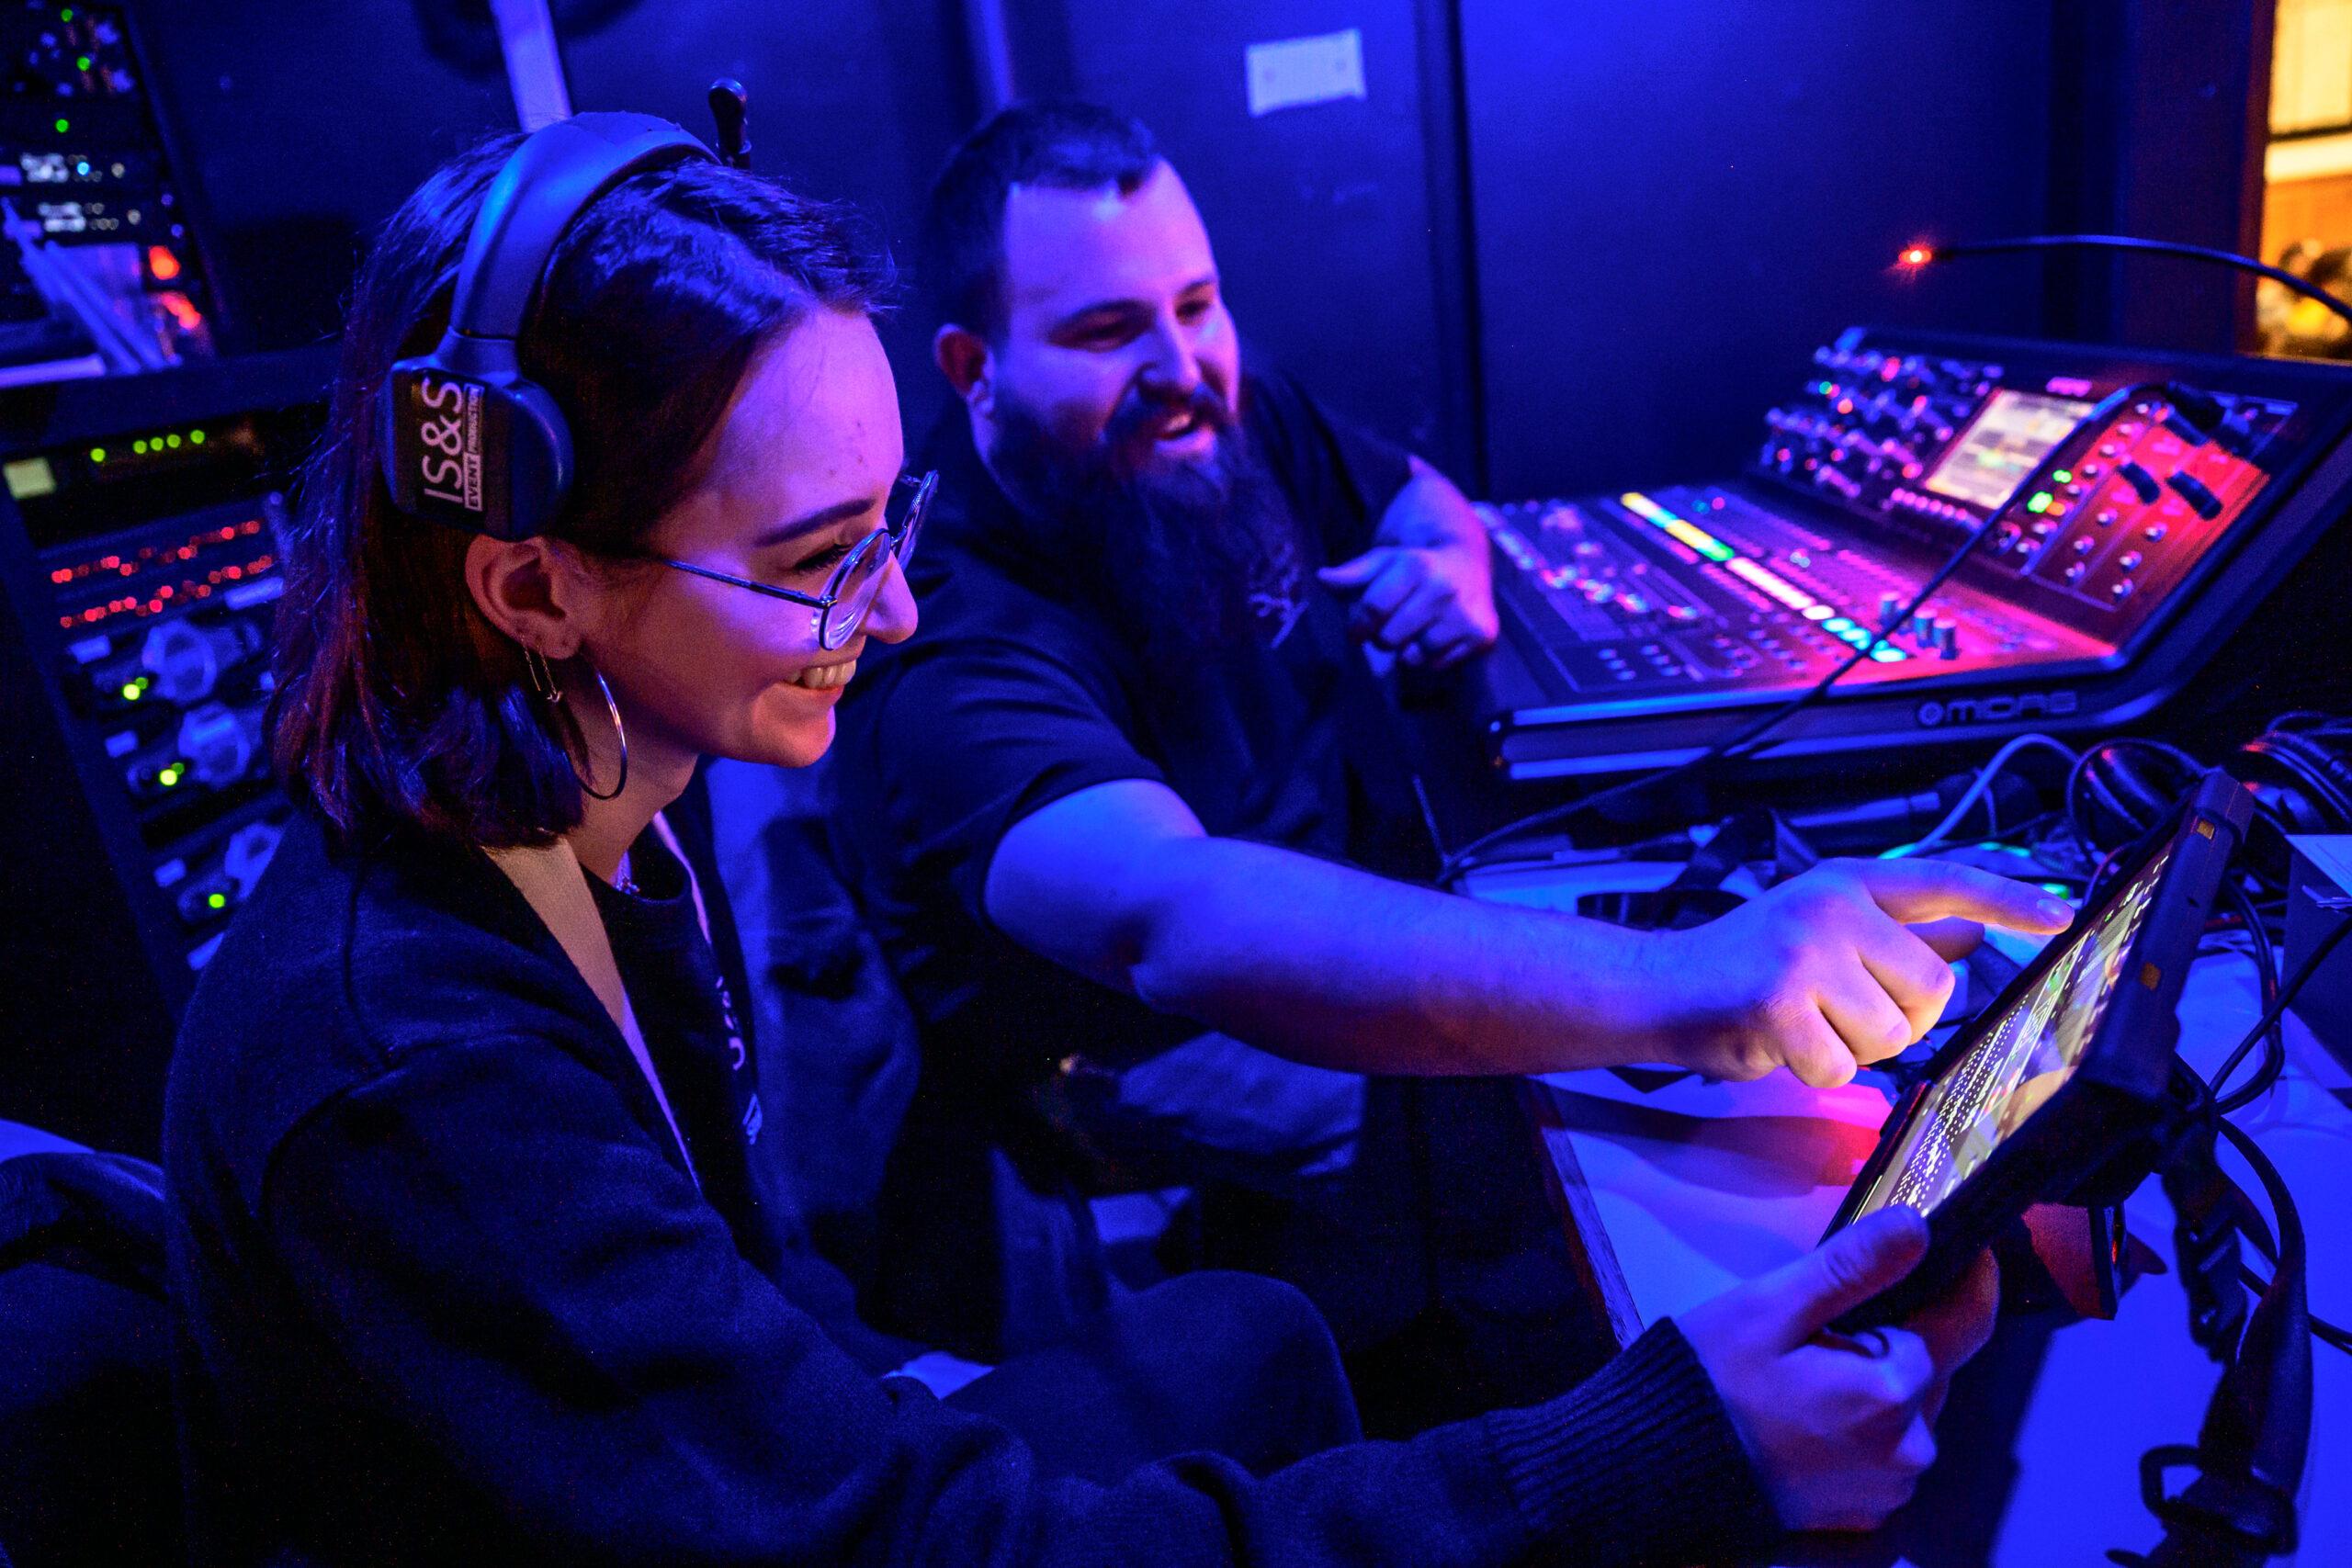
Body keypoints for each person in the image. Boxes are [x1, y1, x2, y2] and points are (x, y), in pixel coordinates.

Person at [164, 118, 1997, 1566]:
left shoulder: (595, 800)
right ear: (528, 578)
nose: (881, 613)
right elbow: (915, 1539)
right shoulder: (421, 1077)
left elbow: (734, 1297)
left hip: (772, 1446)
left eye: (891, 521)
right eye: (816, 560)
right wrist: (1660, 1441)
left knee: (1255, 1342)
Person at [827, 102, 2070, 1393]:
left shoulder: (1218, 413)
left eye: (1198, 304)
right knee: (1533, 1133)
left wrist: (1457, 562)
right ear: (973, 370)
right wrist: (1698, 982)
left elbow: (1419, 490)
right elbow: (1173, 917)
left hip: (1338, 885)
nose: (1182, 361)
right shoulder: (943, 639)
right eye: (1105, 330)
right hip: (1139, 1046)